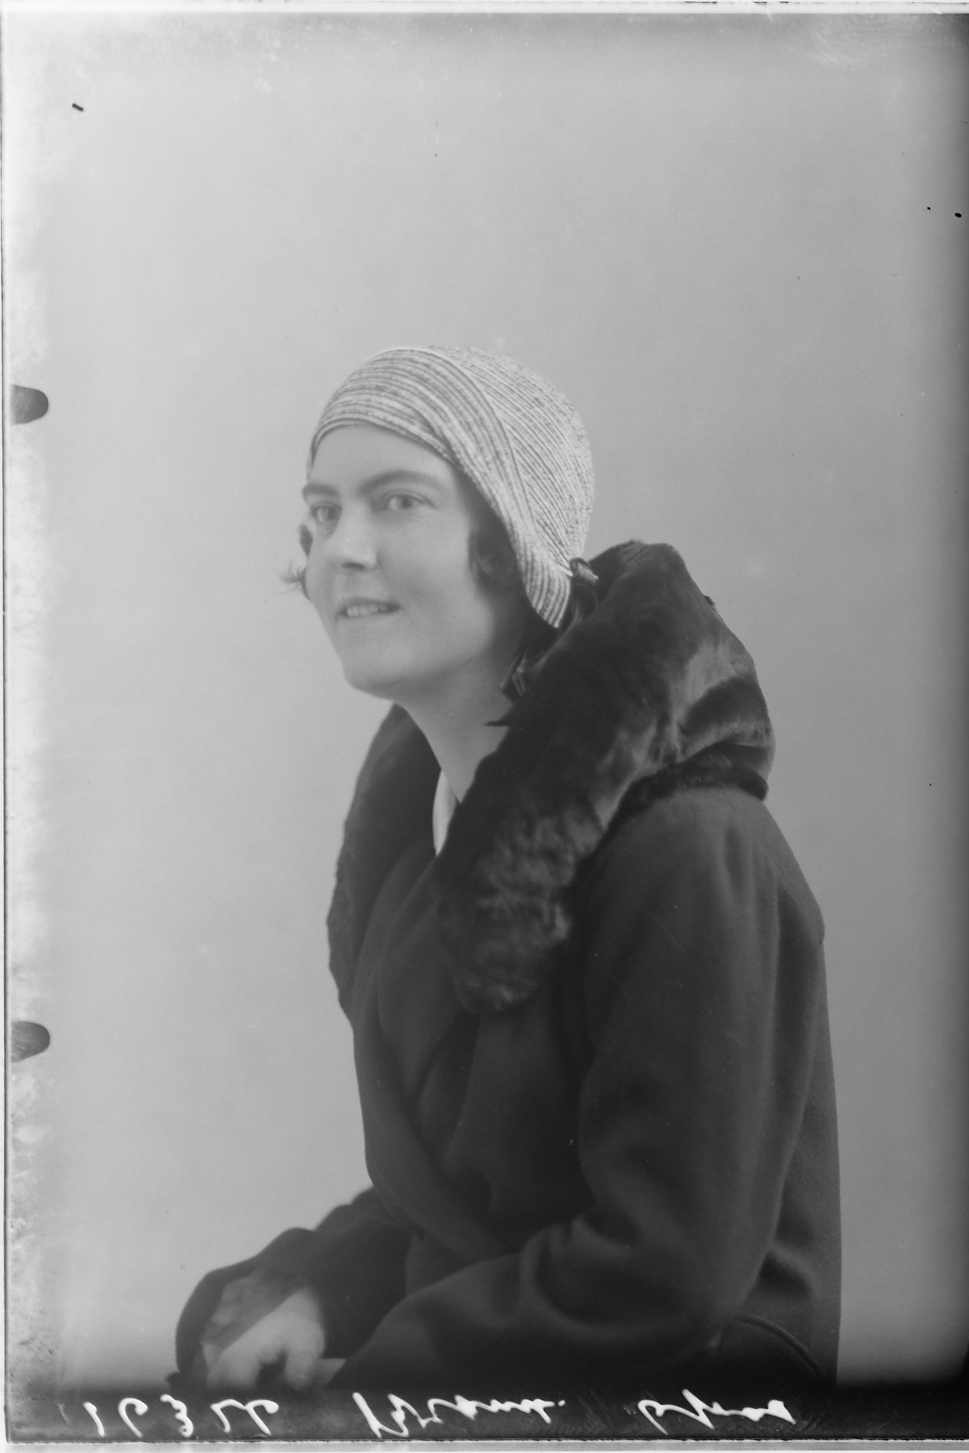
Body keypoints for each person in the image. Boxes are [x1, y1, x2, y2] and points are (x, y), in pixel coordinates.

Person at [174, 347, 839, 1394]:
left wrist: (366, 1389)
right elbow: (454, 1208)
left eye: (398, 502)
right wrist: (319, 1292)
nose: (341, 550)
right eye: (321, 512)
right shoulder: (416, 864)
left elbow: (665, 1271)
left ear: (518, 543)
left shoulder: (692, 854)